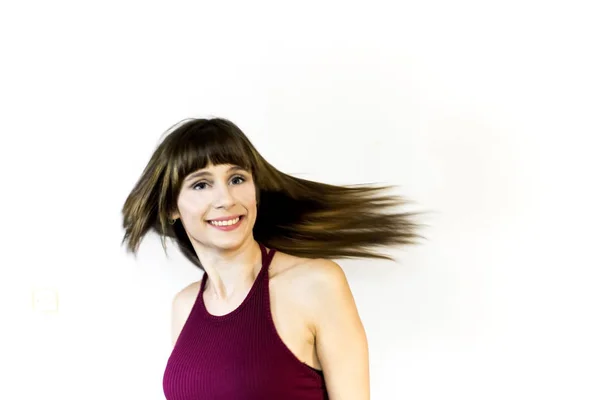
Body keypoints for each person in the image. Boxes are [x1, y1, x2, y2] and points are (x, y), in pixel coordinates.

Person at [121, 117, 424, 400]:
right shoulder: (184, 306)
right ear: (171, 208)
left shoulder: (316, 284)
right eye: (201, 184)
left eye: (237, 179)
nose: (226, 199)